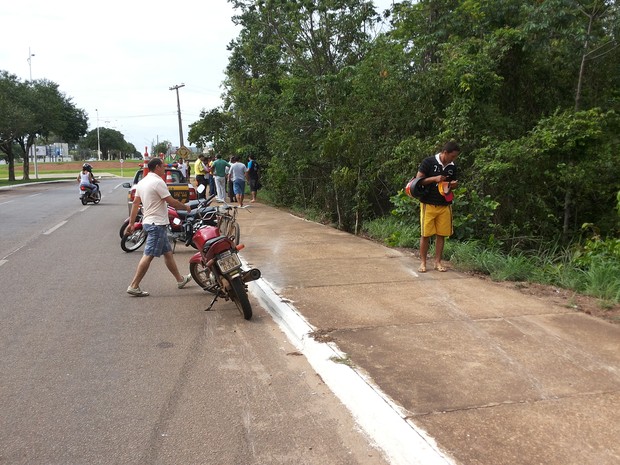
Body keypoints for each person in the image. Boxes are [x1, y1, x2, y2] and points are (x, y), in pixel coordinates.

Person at [125, 157, 192, 297]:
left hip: (149, 221)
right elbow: (171, 201)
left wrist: (131, 223)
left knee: (167, 253)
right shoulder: (157, 182)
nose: (164, 169)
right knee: (148, 255)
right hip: (157, 224)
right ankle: (134, 285)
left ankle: (180, 280)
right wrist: (185, 207)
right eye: (163, 166)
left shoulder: (142, 182)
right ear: (157, 167)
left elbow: (136, 203)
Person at [415, 141, 460, 273]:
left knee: (441, 234)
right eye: (452, 156)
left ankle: (437, 262)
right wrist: (434, 179)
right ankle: (423, 262)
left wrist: (453, 184)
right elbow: (418, 180)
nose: (453, 159)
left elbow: (452, 182)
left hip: (444, 204)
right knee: (425, 234)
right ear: (445, 152)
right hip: (428, 203)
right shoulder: (428, 162)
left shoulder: (452, 166)